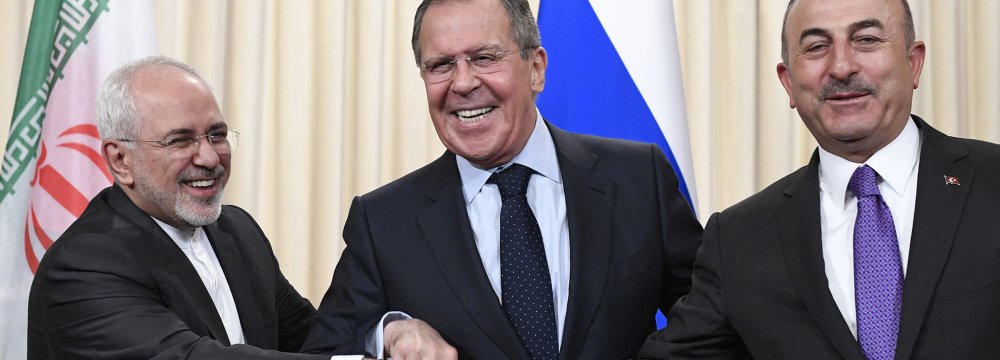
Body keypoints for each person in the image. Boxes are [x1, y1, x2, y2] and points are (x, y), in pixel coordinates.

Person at [300, 0, 702, 358]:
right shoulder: (384, 220)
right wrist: (388, 333)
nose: (462, 83)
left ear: (537, 69)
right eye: (441, 65)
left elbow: (710, 320)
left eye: (484, 57)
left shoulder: (638, 178)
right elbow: (325, 350)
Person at [638, 0, 1000, 359]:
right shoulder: (736, 239)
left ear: (914, 62)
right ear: (788, 83)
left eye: (866, 40)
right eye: (816, 47)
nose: (841, 66)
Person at [27, 56, 445, 360]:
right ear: (120, 161)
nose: (209, 157)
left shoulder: (236, 230)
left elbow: (314, 338)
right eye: (180, 140)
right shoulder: (84, 265)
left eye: (217, 134)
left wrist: (387, 334)